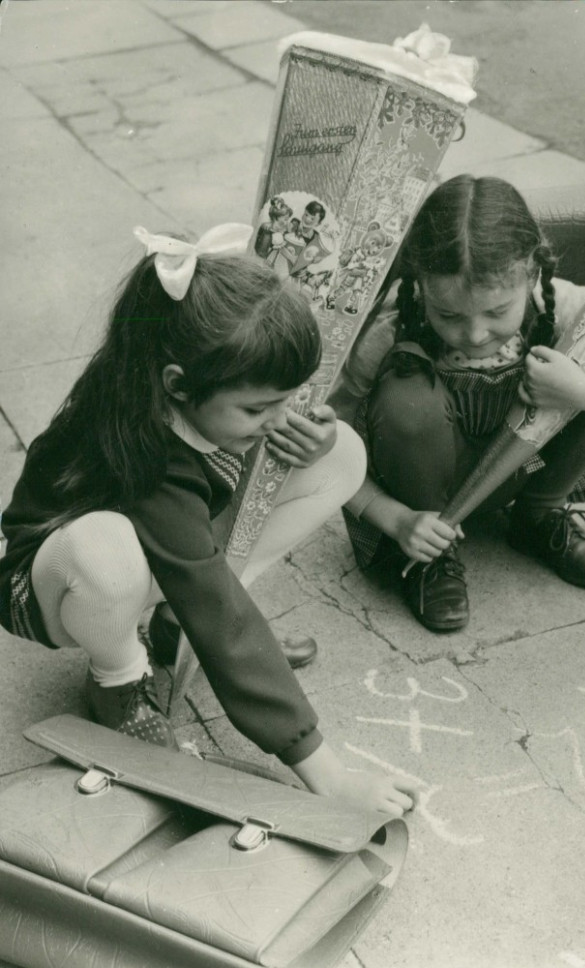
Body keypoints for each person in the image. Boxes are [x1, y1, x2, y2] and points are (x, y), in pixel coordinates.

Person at [0, 223, 417, 816]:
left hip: (158, 551)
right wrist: (327, 774)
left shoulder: (180, 375)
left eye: (286, 399)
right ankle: (117, 682)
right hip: (52, 581)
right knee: (108, 549)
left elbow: (205, 546)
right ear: (178, 386)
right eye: (258, 407)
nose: (277, 419)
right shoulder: (147, 450)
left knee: (342, 453)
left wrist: (308, 443)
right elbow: (219, 607)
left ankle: (171, 624)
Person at [330, 175, 585, 632]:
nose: (476, 334)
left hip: (527, 472)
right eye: (448, 315)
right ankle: (431, 556)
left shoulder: (559, 304)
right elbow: (326, 435)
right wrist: (394, 517)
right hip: (423, 492)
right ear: (420, 283)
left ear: (532, 272)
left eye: (498, 311)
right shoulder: (393, 324)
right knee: (406, 398)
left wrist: (583, 390)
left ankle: (537, 517)